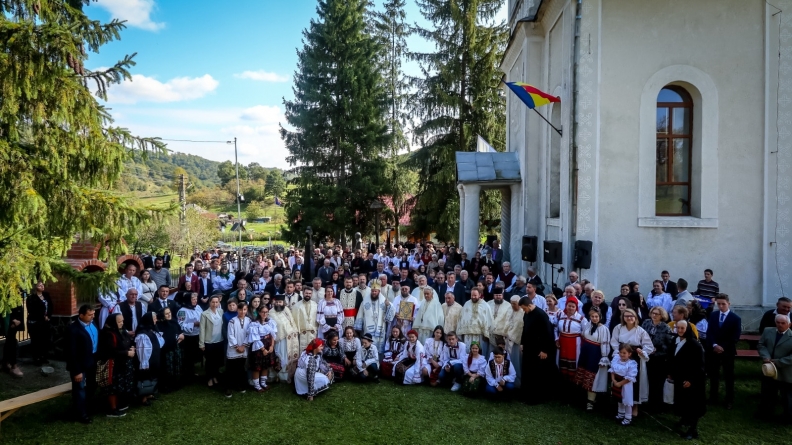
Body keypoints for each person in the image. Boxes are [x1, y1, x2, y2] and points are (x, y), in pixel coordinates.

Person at [610, 309, 654, 418]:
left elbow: (649, 346)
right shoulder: (618, 328)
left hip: (634, 359)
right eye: (626, 316)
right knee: (619, 378)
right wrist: (618, 354)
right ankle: (620, 406)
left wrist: (642, 351)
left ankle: (634, 406)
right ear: (623, 317)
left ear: (635, 317)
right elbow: (614, 342)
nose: (629, 318)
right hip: (621, 356)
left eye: (631, 316)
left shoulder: (640, 331)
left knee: (633, 382)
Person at [669, 321, 707, 440]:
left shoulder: (694, 345)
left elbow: (700, 365)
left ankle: (692, 430)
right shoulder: (674, 341)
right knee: (682, 401)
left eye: (682, 328)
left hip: (692, 380)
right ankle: (684, 420)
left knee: (692, 405)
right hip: (679, 377)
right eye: (678, 328)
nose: (680, 330)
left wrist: (691, 380)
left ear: (688, 329)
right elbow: (671, 358)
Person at [705, 293, 741, 409]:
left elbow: (735, 337)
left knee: (728, 376)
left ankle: (729, 399)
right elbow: (709, 332)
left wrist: (722, 347)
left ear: (728, 304)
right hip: (714, 350)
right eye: (718, 304)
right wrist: (714, 345)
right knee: (714, 374)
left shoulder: (735, 318)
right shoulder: (713, 315)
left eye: (723, 304)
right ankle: (713, 397)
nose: (721, 306)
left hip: (727, 351)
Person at [519, 296, 558, 404]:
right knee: (527, 372)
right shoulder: (527, 314)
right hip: (528, 347)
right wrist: (522, 343)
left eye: (524, 308)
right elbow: (525, 329)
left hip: (539, 349)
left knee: (536, 373)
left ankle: (535, 397)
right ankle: (526, 394)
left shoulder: (541, 315)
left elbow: (548, 334)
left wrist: (545, 350)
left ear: (529, 305)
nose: (523, 310)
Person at [97, 313, 135, 417]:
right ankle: (112, 409)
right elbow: (110, 351)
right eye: (119, 322)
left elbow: (127, 341)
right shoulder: (109, 334)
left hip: (122, 364)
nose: (122, 323)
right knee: (112, 388)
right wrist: (127, 353)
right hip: (113, 365)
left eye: (122, 321)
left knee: (119, 386)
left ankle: (119, 405)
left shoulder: (121, 331)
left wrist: (131, 348)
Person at [67, 305, 98, 423]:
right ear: (81, 315)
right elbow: (71, 352)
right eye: (90, 315)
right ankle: (81, 414)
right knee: (79, 389)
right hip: (80, 364)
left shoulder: (93, 324)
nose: (93, 317)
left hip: (92, 361)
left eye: (93, 314)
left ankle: (88, 407)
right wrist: (76, 371)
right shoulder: (73, 329)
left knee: (91, 386)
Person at [575, 308, 611, 411]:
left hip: (595, 354)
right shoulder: (587, 325)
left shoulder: (604, 329)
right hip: (585, 352)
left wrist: (604, 356)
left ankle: (590, 402)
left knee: (592, 376)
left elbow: (605, 343)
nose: (594, 319)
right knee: (583, 373)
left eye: (596, 317)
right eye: (592, 316)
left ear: (600, 317)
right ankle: (582, 398)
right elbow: (583, 335)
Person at [641, 306, 674, 412]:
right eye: (653, 313)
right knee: (646, 379)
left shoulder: (665, 327)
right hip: (646, 356)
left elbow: (669, 345)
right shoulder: (646, 323)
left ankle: (656, 405)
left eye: (657, 314)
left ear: (662, 316)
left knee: (657, 382)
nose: (654, 315)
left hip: (658, 358)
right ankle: (645, 401)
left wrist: (658, 349)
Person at [354, 282, 394, 353]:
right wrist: (359, 327)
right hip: (368, 328)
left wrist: (388, 306)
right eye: (372, 291)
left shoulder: (384, 301)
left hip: (380, 329)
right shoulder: (365, 301)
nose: (374, 293)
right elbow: (360, 313)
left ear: (379, 291)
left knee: (379, 349)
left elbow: (392, 310)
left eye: (376, 291)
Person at [134, 312, 163, 406]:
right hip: (147, 361)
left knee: (152, 376)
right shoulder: (142, 335)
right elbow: (142, 350)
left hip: (153, 359)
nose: (156, 320)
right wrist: (144, 364)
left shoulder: (151, 330)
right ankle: (143, 397)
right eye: (154, 318)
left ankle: (149, 393)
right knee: (145, 377)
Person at [270, 294, 300, 383]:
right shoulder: (271, 312)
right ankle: (277, 375)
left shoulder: (286, 309)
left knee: (287, 356)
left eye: (280, 302)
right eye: (277, 302)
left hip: (290, 338)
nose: (279, 304)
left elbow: (292, 321)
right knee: (280, 355)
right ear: (274, 302)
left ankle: (286, 375)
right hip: (279, 339)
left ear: (283, 303)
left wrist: (294, 331)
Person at [247, 306, 278, 392]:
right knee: (257, 366)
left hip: (268, 344)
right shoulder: (254, 324)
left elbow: (273, 335)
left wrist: (272, 346)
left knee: (266, 365)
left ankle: (263, 383)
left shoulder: (270, 322)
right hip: (259, 346)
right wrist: (263, 349)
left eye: (266, 312)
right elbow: (255, 338)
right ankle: (257, 385)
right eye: (263, 312)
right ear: (259, 313)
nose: (265, 314)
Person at [457, 288, 494, 358]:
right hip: (468, 334)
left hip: (480, 335)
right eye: (472, 295)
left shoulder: (485, 306)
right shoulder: (466, 304)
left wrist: (487, 334)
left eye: (475, 295)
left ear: (480, 295)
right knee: (468, 352)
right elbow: (461, 318)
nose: (473, 297)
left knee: (480, 353)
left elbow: (489, 320)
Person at [556, 296, 584, 386]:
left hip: (574, 343)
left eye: (573, 306)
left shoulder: (581, 318)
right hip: (562, 342)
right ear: (566, 305)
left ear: (576, 307)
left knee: (573, 363)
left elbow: (586, 331)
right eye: (569, 305)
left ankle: (573, 385)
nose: (571, 308)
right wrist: (556, 339)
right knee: (561, 362)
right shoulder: (560, 315)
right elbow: (555, 328)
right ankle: (563, 384)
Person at [224, 301, 250, 398]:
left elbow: (249, 334)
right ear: (237, 310)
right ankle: (228, 387)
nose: (242, 312)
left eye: (244, 309)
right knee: (231, 369)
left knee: (240, 368)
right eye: (240, 309)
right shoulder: (232, 321)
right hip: (233, 349)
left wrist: (243, 346)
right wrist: (237, 346)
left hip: (244, 348)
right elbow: (230, 335)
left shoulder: (249, 321)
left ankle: (239, 385)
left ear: (247, 310)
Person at [156, 307, 184, 393]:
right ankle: (167, 385)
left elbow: (180, 331)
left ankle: (176, 383)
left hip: (176, 348)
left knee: (177, 365)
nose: (169, 315)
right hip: (166, 350)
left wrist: (182, 336)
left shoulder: (174, 322)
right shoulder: (159, 325)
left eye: (169, 312)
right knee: (167, 368)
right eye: (166, 314)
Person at [610, 344, 639, 426]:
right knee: (619, 398)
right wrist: (614, 380)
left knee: (627, 400)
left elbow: (630, 377)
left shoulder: (631, 364)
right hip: (617, 381)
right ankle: (621, 414)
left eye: (624, 353)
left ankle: (628, 418)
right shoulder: (616, 359)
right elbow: (612, 370)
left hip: (625, 384)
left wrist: (620, 383)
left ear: (629, 354)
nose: (622, 354)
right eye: (620, 352)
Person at [199, 295, 224, 388]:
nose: (215, 304)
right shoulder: (204, 314)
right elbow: (202, 329)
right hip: (209, 341)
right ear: (209, 302)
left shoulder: (221, 312)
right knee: (209, 361)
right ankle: (209, 378)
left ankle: (215, 376)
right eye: (213, 302)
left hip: (219, 340)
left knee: (217, 361)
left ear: (219, 303)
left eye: (216, 302)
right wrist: (201, 343)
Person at [177, 293, 202, 380]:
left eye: (196, 299)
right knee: (189, 356)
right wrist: (193, 324)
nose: (195, 301)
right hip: (188, 337)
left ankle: (194, 370)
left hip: (198, 334)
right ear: (188, 300)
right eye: (193, 299)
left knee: (196, 355)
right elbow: (181, 325)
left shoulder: (198, 307)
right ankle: (188, 374)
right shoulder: (182, 311)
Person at [27, 281, 53, 365]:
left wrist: (48, 316)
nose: (42, 286)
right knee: (36, 341)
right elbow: (32, 311)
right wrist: (42, 316)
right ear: (35, 287)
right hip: (35, 322)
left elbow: (51, 306)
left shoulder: (46, 295)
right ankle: (36, 358)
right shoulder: (31, 298)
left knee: (45, 340)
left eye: (43, 285)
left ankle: (43, 356)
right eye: (40, 285)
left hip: (45, 322)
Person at [2, 301, 24, 377]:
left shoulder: (14, 291)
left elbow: (17, 305)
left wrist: (17, 319)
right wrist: (12, 320)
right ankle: (13, 365)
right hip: (7, 318)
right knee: (11, 341)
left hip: (13, 318)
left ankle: (6, 364)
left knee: (10, 340)